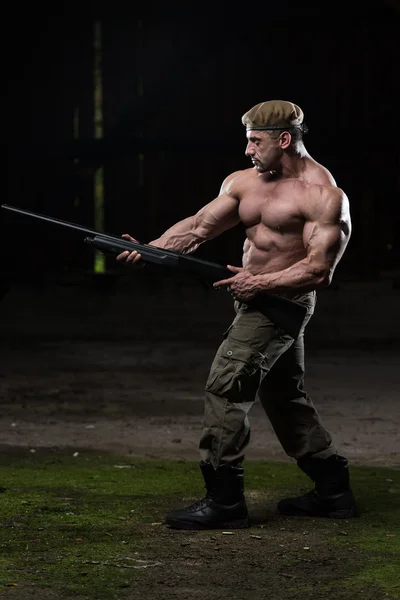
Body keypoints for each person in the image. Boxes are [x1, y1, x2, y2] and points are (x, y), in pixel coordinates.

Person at [117, 100, 356, 530]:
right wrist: (152, 250)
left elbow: (318, 270)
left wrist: (260, 284)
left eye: (255, 141)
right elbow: (197, 227)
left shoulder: (324, 195)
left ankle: (225, 500)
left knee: (226, 389)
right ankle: (333, 490)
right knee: (285, 399)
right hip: (250, 296)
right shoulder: (244, 182)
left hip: (281, 303)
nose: (247, 150)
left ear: (284, 140)